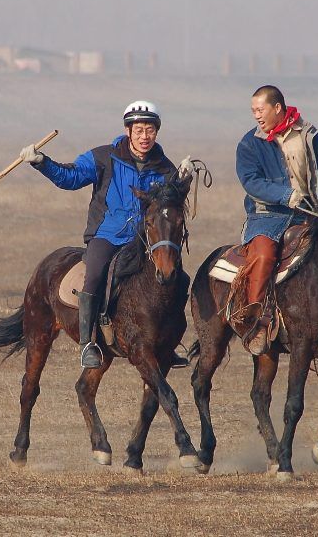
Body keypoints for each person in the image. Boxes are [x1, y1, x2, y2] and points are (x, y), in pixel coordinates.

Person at [19, 101, 194, 369]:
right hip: (107, 235)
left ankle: (168, 344)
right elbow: (72, 177)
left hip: (146, 241)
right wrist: (42, 163)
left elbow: (170, 204)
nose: (144, 136)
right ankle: (88, 342)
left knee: (179, 279)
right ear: (127, 130)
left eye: (150, 130)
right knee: (97, 273)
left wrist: (183, 180)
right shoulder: (103, 157)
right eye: (139, 130)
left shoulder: (164, 167)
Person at [233, 85, 318, 354]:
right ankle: (255, 322)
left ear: (277, 108)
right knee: (265, 255)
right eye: (253, 110)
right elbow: (251, 181)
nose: (256, 115)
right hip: (267, 216)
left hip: (308, 213)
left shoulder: (309, 135)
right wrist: (284, 195)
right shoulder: (249, 143)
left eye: (260, 109)